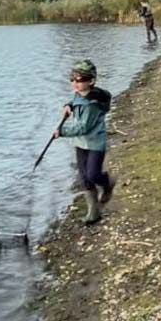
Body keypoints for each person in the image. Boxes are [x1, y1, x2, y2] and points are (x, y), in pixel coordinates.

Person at [53, 59, 114, 225]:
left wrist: (62, 132)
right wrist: (69, 105)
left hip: (95, 143)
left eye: (79, 80)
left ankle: (107, 182)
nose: (75, 83)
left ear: (91, 81)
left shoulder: (93, 104)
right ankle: (93, 212)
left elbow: (83, 127)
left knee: (93, 174)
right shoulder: (80, 93)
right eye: (72, 79)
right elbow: (76, 99)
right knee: (84, 178)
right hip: (81, 144)